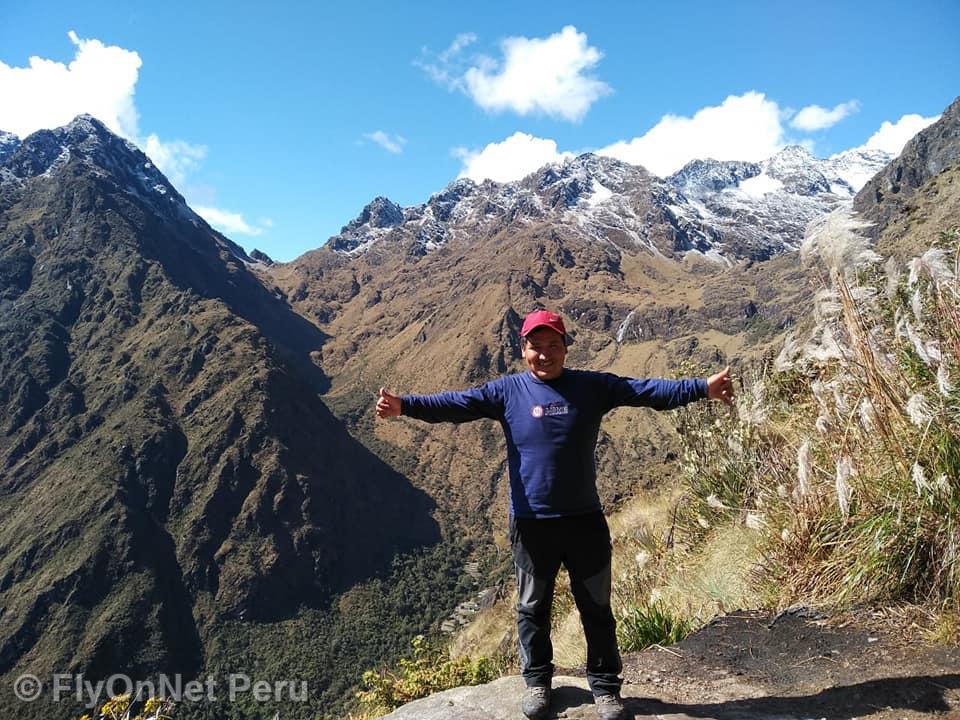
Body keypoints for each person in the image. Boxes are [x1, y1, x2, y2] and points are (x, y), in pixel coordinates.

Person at [375, 309, 734, 720]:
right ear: (523, 349)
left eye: (552, 346)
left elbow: (646, 391)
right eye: (535, 347)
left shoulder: (592, 387)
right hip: (532, 525)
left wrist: (701, 388)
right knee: (532, 607)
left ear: (565, 347)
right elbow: (457, 404)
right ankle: (537, 684)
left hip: (585, 522)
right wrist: (404, 406)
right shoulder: (507, 391)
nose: (544, 355)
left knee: (596, 606)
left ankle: (604, 688)